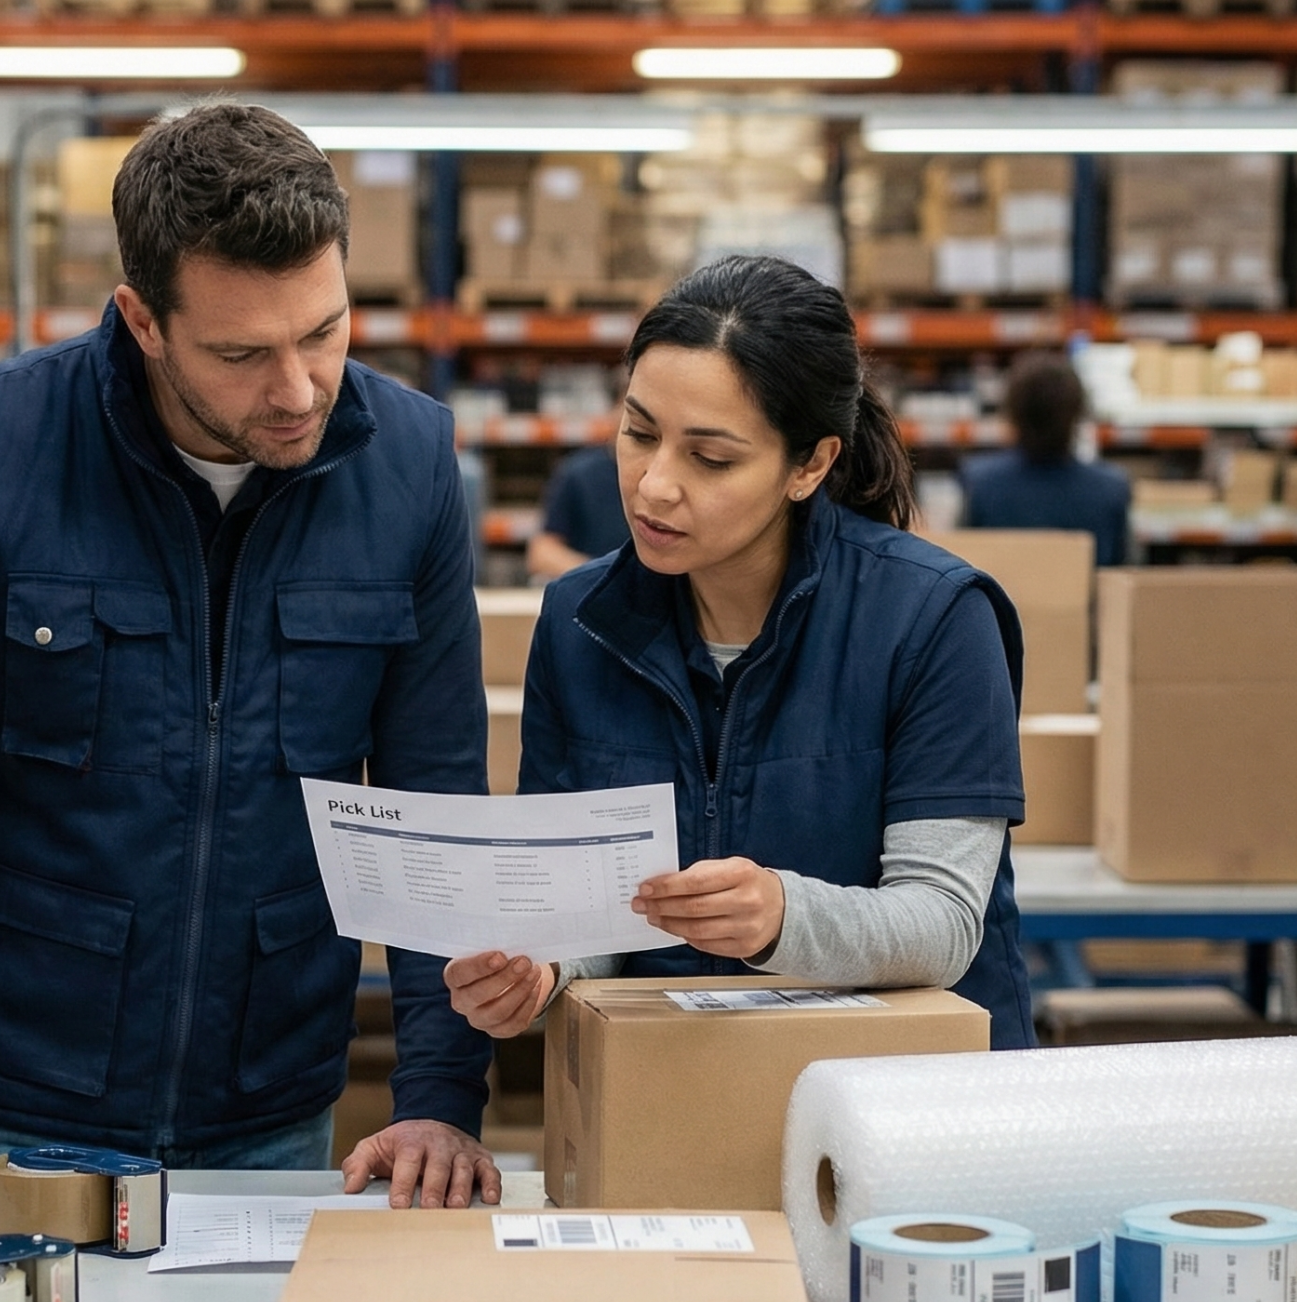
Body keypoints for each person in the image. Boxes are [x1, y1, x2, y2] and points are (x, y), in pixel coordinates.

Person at [0, 103, 500, 1240]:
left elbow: (430, 810)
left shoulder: (410, 468)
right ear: (142, 318)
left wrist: (437, 1096)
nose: (298, 389)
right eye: (241, 353)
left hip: (268, 1107)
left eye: (323, 332)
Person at [438, 256, 1037, 1051]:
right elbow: (581, 904)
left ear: (810, 464)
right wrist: (541, 972)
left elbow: (944, 919)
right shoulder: (581, 621)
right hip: (679, 1092)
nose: (653, 485)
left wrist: (780, 916)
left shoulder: (933, 617)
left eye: (709, 458)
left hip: (908, 1106)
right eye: (638, 432)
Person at [960, 352, 1132, 566]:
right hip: (1083, 599)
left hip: (998, 600)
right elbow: (1121, 569)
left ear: (1013, 412)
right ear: (1076, 413)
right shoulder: (1111, 488)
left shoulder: (979, 481)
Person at [527, 441, 629, 579]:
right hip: (596, 588)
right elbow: (542, 552)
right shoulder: (579, 473)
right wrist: (604, 576)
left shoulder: (660, 478)